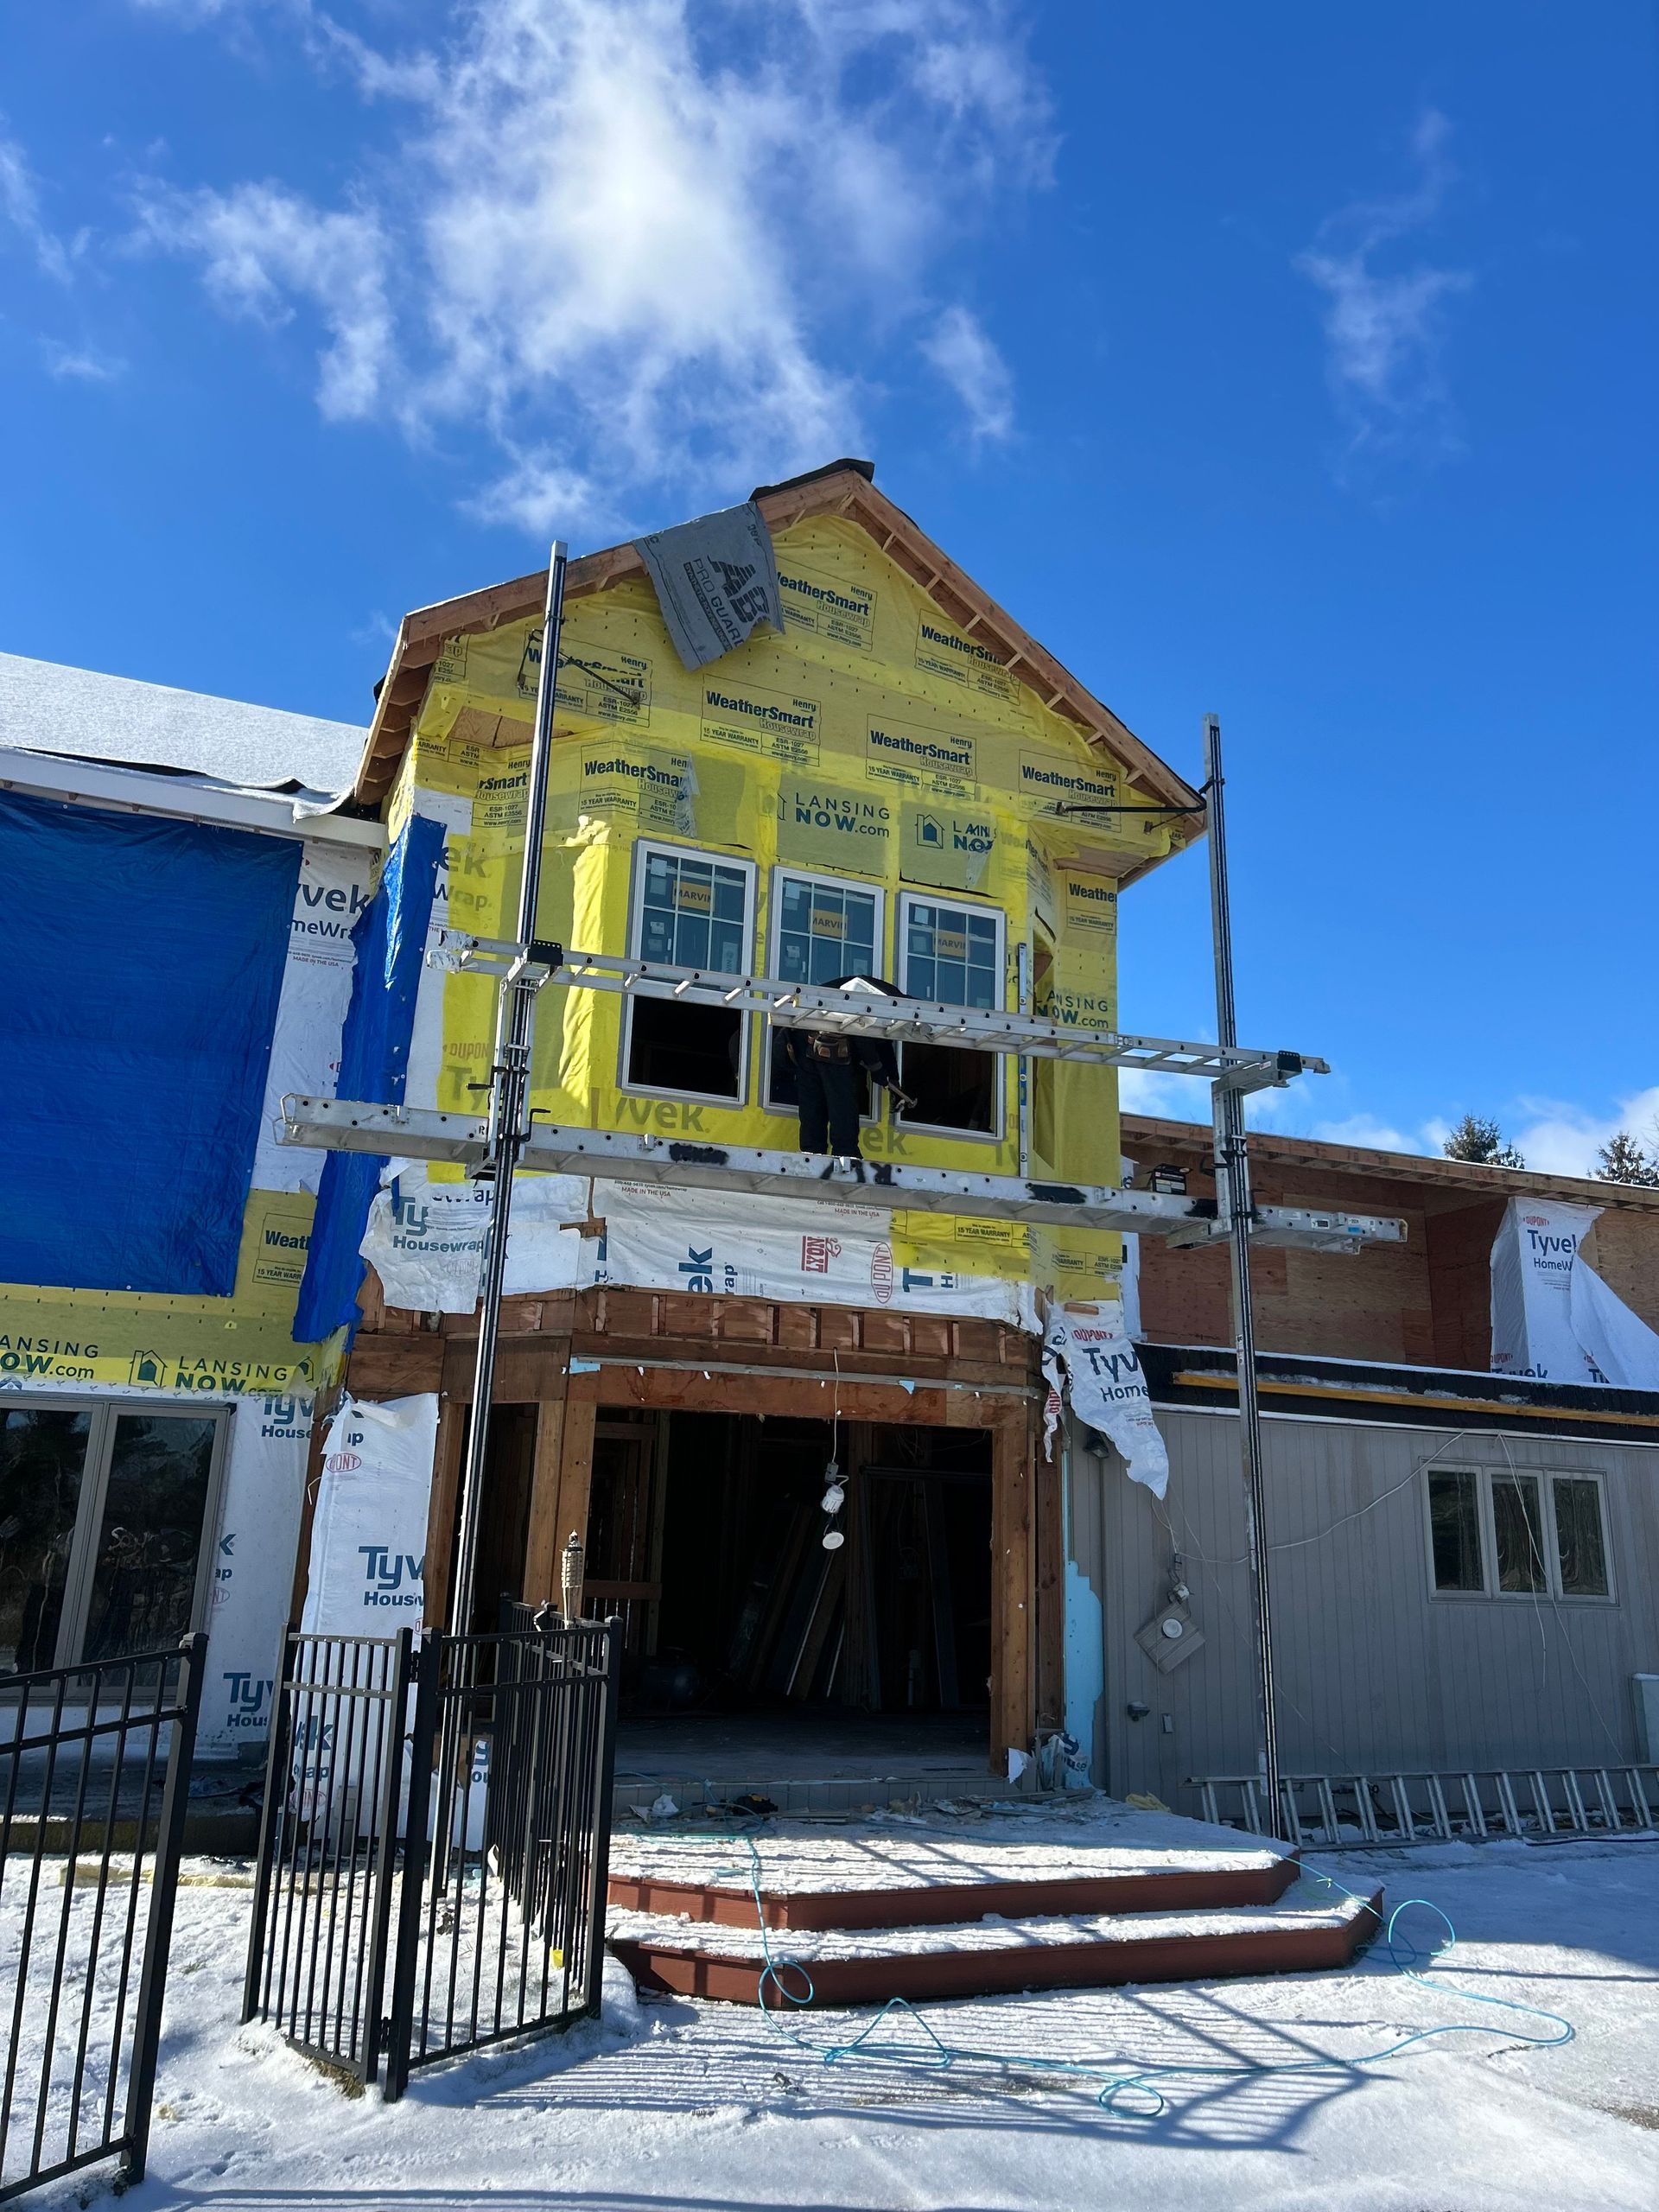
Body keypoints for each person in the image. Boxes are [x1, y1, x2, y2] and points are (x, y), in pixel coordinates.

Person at [783, 975, 915, 1160]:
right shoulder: (885, 1002)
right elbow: (861, 1032)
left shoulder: (887, 1001)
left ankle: (813, 1154)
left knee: (815, 1105)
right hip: (826, 1041)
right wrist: (876, 1069)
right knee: (841, 1103)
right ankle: (845, 1153)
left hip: (806, 1038)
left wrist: (893, 1079)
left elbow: (883, 1044)